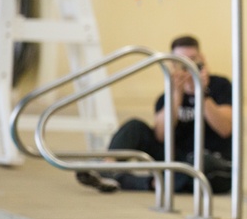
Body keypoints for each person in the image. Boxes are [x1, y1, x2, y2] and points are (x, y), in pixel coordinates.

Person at [76, 36, 233, 193]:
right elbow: (160, 136)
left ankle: (134, 181)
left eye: (193, 61)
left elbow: (225, 128)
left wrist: (201, 92)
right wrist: (175, 97)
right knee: (135, 127)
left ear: (202, 61)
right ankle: (108, 167)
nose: (188, 68)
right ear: (173, 65)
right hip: (176, 158)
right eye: (182, 63)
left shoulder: (220, 85)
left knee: (200, 167)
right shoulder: (167, 95)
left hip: (211, 161)